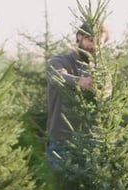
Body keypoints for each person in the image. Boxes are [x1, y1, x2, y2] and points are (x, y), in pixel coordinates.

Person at [46, 22, 108, 168]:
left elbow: (107, 92)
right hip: (62, 142)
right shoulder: (59, 61)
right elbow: (57, 76)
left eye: (100, 44)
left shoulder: (100, 70)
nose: (94, 47)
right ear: (79, 36)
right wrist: (81, 81)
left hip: (92, 144)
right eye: (91, 40)